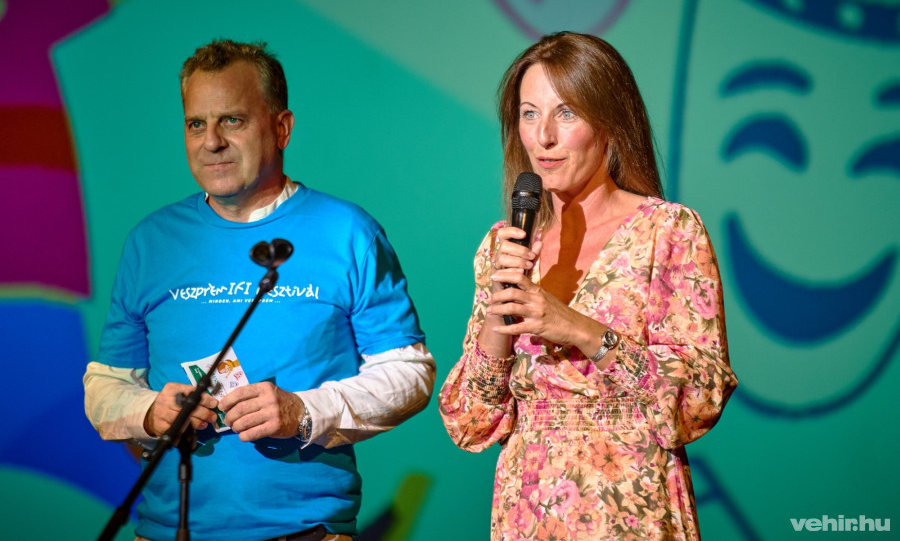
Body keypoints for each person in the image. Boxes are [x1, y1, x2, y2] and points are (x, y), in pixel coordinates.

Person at [83, 39, 435, 541]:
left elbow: (409, 372)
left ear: (282, 127)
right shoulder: (150, 242)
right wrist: (149, 412)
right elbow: (105, 387)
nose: (211, 142)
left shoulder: (347, 232)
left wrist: (304, 412)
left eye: (233, 120)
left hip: (307, 531)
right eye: (196, 124)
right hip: (165, 530)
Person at [439, 32, 737, 540]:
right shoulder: (503, 245)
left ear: (610, 122)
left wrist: (578, 329)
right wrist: (496, 316)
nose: (543, 137)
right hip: (526, 513)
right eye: (529, 114)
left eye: (566, 113)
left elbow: (699, 399)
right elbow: (471, 421)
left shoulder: (668, 231)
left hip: (630, 510)